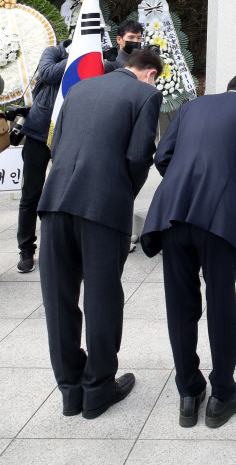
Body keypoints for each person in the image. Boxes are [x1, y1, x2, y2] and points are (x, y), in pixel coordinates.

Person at [140, 71, 236, 429]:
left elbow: (162, 156)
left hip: (172, 214)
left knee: (180, 304)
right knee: (221, 301)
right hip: (218, 217)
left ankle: (188, 393)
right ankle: (222, 395)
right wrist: (232, 196)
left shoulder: (191, 106)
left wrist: (185, 185)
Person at [37, 49, 162, 418]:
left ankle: (70, 390)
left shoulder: (79, 90)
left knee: (58, 301)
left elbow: (56, 146)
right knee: (102, 296)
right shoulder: (147, 95)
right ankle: (98, 387)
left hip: (55, 200)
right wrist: (122, 195)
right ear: (150, 74)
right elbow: (140, 156)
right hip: (103, 208)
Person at [15, 39, 70, 273]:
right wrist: (76, 57)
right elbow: (47, 74)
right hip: (38, 133)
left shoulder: (93, 57)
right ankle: (26, 249)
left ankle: (64, 248)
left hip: (69, 134)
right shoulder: (54, 52)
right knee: (31, 195)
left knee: (67, 193)